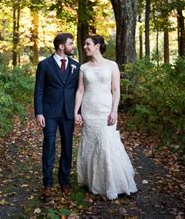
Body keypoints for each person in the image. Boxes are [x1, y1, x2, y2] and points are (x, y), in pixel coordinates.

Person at [74, 35, 137, 200]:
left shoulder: (112, 65)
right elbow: (80, 91)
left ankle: (114, 182)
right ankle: (93, 181)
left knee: (106, 143)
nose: (85, 46)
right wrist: (76, 111)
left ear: (97, 46)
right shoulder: (83, 67)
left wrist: (114, 111)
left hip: (105, 110)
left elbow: (116, 90)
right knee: (92, 144)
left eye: (88, 44)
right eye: (84, 44)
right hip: (89, 110)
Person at [34, 33, 80, 200]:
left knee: (68, 147)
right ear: (61, 46)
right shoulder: (44, 65)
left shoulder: (76, 66)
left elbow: (78, 92)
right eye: (70, 43)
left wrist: (78, 112)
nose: (73, 46)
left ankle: (64, 181)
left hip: (68, 113)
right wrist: (39, 112)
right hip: (49, 113)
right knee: (49, 147)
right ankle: (47, 184)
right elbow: (39, 90)